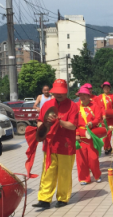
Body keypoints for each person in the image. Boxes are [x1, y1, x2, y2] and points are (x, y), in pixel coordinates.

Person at [32, 79, 79, 209]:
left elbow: (72, 126)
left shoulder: (73, 106)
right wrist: (42, 128)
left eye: (61, 92)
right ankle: (44, 199)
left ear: (66, 92)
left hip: (66, 145)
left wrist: (59, 121)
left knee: (64, 173)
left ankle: (63, 198)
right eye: (56, 92)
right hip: (49, 144)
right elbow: (39, 121)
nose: (59, 95)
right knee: (47, 171)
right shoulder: (47, 105)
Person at [75, 85, 104, 185]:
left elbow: (98, 118)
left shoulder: (94, 105)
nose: (82, 97)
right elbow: (73, 122)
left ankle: (97, 175)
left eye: (84, 95)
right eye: (80, 95)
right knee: (81, 160)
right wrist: (76, 134)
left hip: (91, 136)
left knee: (93, 158)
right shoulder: (76, 106)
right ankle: (84, 178)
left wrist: (92, 123)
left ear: (88, 96)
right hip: (80, 137)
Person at [99, 81, 113, 155]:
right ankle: (107, 147)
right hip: (103, 119)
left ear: (109, 88)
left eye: (107, 87)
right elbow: (98, 106)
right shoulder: (100, 97)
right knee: (104, 134)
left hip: (111, 118)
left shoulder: (112, 96)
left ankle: (109, 148)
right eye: (105, 87)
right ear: (103, 88)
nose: (106, 89)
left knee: (110, 133)